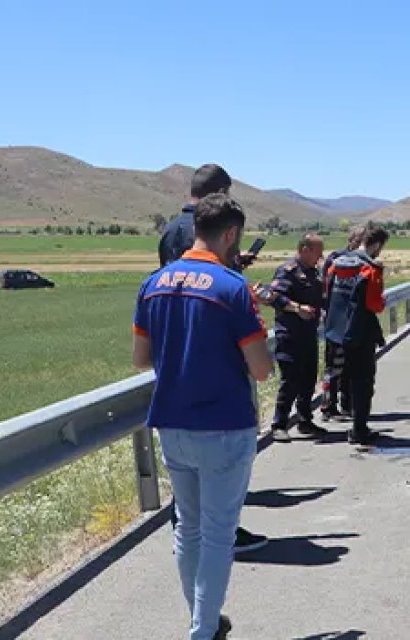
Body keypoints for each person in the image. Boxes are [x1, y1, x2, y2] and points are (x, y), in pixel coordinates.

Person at [132, 193, 273, 640]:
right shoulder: (232, 287)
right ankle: (203, 630)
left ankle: (201, 617)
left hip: (172, 423)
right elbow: (262, 368)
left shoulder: (153, 283)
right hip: (225, 424)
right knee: (217, 534)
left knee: (187, 529)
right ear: (231, 233)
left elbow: (141, 358)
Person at [157, 164, 268, 556]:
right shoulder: (207, 233)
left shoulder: (171, 230)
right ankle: (219, 536)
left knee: (185, 464)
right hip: (216, 352)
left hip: (174, 351)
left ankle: (187, 533)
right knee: (218, 454)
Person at [323, 224, 389, 444]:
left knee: (338, 375)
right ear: (377, 244)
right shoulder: (370, 268)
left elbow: (328, 294)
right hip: (360, 334)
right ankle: (359, 429)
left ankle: (332, 408)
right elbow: (375, 304)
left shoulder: (335, 264)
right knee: (362, 383)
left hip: (335, 331)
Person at [259, 233, 327, 442]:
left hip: (308, 334)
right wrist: (297, 308)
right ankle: (279, 424)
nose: (321, 256)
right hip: (290, 334)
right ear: (304, 250)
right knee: (291, 381)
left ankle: (305, 420)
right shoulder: (288, 271)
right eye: (317, 251)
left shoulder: (313, 273)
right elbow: (273, 297)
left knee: (308, 379)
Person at [319, 224, 369, 421]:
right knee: (333, 368)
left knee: (350, 367)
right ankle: (327, 406)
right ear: (354, 241)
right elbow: (325, 289)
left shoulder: (363, 261)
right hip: (335, 320)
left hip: (352, 322)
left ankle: (347, 406)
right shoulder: (336, 260)